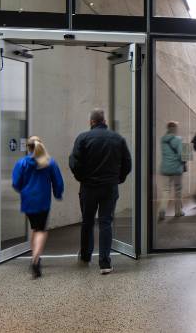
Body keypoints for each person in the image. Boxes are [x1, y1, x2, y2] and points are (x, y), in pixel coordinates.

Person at [69, 109, 132, 275]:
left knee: (87, 222)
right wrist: (118, 179)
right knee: (106, 223)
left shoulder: (83, 138)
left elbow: (74, 163)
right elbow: (127, 163)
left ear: (91, 122)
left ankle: (85, 256)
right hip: (109, 188)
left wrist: (82, 178)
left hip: (88, 188)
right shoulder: (118, 139)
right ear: (105, 121)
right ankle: (105, 263)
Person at [12, 136, 64, 279]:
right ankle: (35, 259)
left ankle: (35, 256)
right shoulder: (49, 162)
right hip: (43, 201)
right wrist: (58, 194)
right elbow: (58, 182)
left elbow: (16, 183)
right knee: (41, 230)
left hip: (28, 201)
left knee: (35, 228)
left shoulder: (21, 163)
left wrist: (25, 189)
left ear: (28, 148)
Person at [158, 121, 185, 220]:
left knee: (166, 190)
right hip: (176, 169)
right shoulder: (178, 140)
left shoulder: (163, 140)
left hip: (165, 169)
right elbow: (181, 155)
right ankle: (178, 211)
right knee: (178, 191)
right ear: (174, 129)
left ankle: (162, 210)